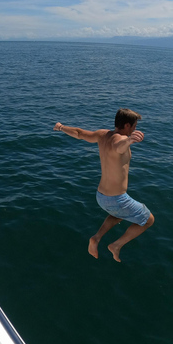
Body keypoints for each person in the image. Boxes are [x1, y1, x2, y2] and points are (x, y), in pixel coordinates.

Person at [54, 108, 155, 262]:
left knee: (117, 214)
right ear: (127, 125)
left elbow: (79, 133)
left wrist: (61, 127)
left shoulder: (102, 135)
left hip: (101, 196)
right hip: (116, 199)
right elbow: (118, 146)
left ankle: (96, 238)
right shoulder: (120, 141)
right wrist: (129, 141)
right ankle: (116, 245)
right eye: (134, 125)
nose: (135, 128)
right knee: (148, 220)